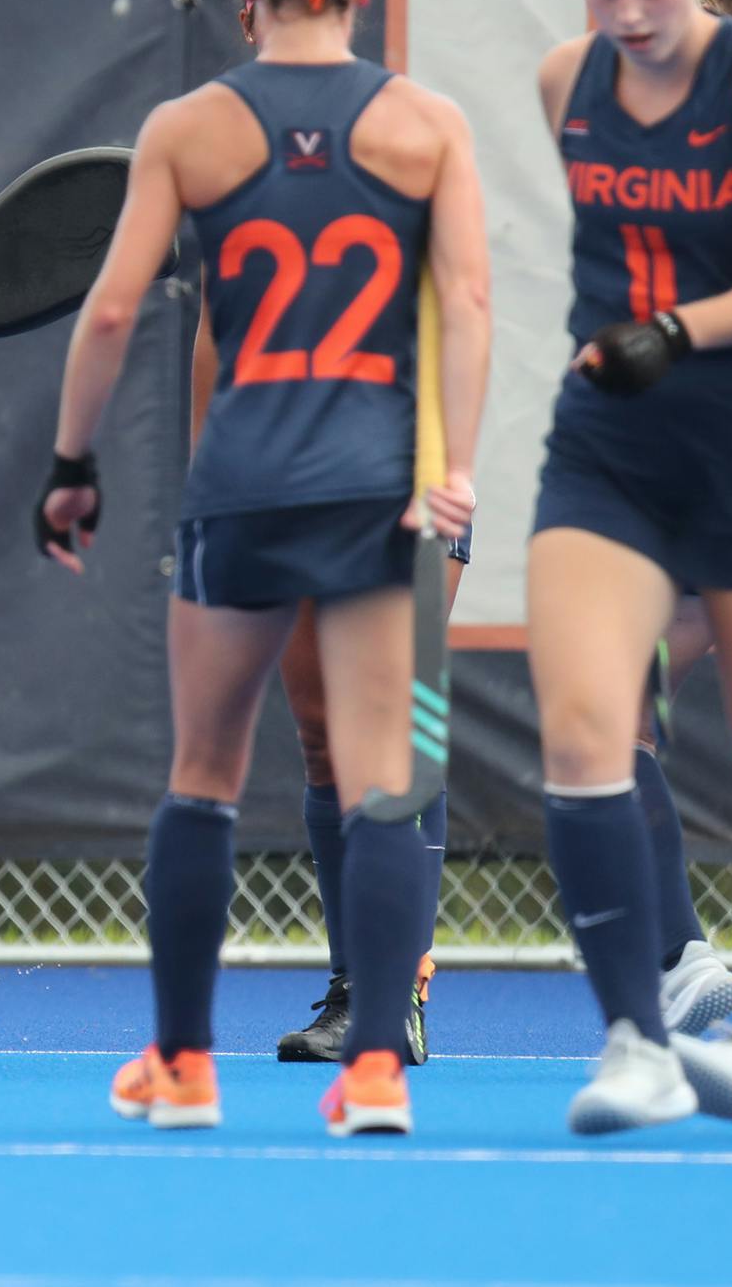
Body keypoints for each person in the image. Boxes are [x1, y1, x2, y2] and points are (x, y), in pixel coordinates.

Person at [40, 0, 490, 1133]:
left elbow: (113, 310)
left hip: (239, 487)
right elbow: (466, 302)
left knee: (201, 776)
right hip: (377, 490)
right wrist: (453, 471)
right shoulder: (425, 128)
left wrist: (71, 464)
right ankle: (375, 1072)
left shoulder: (187, 131)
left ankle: (183, 1065)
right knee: (384, 777)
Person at [529, 0, 732, 1132]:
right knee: (583, 731)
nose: (623, 12)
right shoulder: (567, 81)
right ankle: (638, 1043)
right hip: (608, 453)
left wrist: (675, 331)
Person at [188, 220, 468, 1068]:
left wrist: (449, 468)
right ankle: (355, 987)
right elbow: (215, 336)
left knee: (391, 720)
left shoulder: (415, 177)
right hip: (282, 484)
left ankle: (397, 989)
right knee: (322, 738)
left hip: (405, 476)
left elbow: (467, 312)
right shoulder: (243, 194)